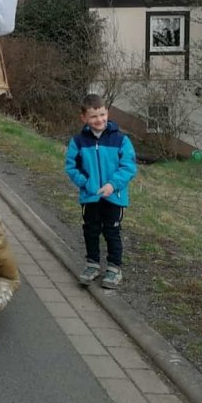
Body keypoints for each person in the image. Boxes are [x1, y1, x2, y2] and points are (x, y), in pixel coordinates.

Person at [64, 94, 137, 289]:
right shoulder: (78, 141)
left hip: (114, 196)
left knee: (112, 231)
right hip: (90, 196)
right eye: (94, 116)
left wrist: (113, 185)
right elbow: (72, 167)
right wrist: (86, 183)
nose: (99, 120)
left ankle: (114, 268)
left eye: (102, 115)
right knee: (91, 230)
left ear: (108, 113)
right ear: (84, 118)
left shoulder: (121, 140)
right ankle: (92, 264)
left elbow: (128, 166)